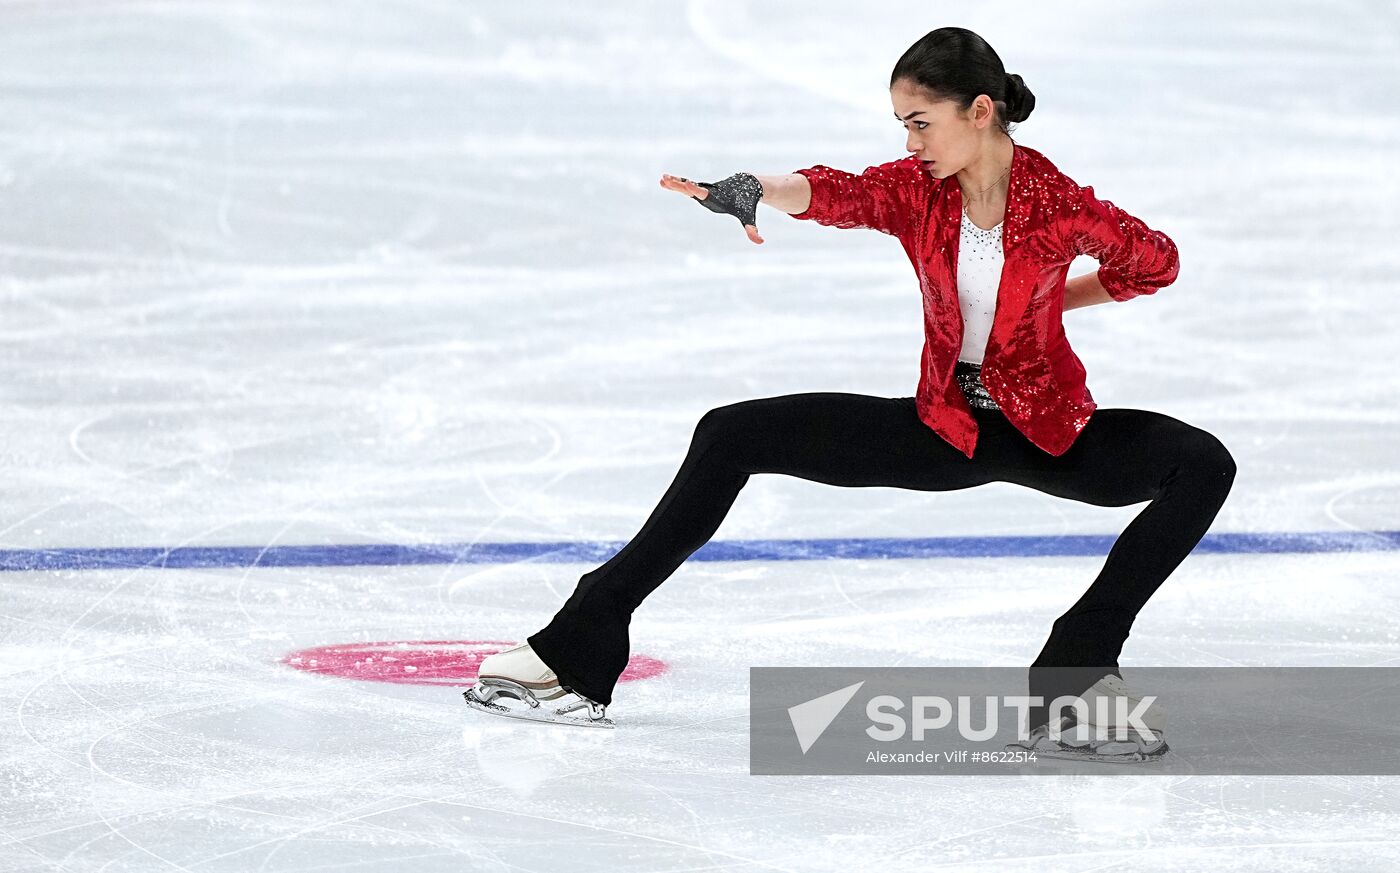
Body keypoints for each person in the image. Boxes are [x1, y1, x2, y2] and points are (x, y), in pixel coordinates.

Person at [465, 27, 1236, 756]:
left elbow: (1154, 263)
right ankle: (577, 645)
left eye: (921, 123)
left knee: (1202, 463)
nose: (910, 143)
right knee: (730, 433)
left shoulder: (1057, 202)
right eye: (903, 125)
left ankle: (1075, 668)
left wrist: (1052, 299)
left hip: (1046, 431)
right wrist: (755, 188)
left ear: (979, 111)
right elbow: (841, 194)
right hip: (947, 426)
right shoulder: (920, 192)